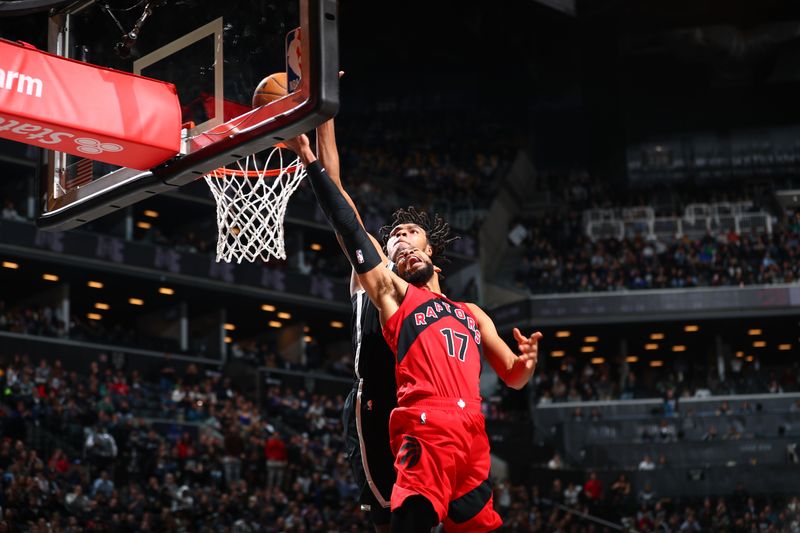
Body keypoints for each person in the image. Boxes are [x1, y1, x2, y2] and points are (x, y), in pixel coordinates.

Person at [285, 130, 542, 532]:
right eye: (394, 237)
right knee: (397, 515)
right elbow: (344, 214)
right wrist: (324, 119)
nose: (402, 239)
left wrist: (526, 363)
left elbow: (514, 375)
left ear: (433, 257)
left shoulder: (469, 311)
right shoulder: (384, 282)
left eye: (411, 233)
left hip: (462, 422)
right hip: (387, 401)